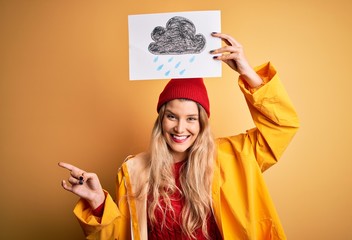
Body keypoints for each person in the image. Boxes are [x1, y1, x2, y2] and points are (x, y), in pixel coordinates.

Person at [59, 32, 299, 240]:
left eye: (191, 118)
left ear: (203, 123)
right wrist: (98, 203)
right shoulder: (133, 172)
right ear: (160, 119)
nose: (180, 128)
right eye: (172, 116)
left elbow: (281, 126)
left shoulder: (235, 156)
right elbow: (122, 236)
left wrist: (247, 72)